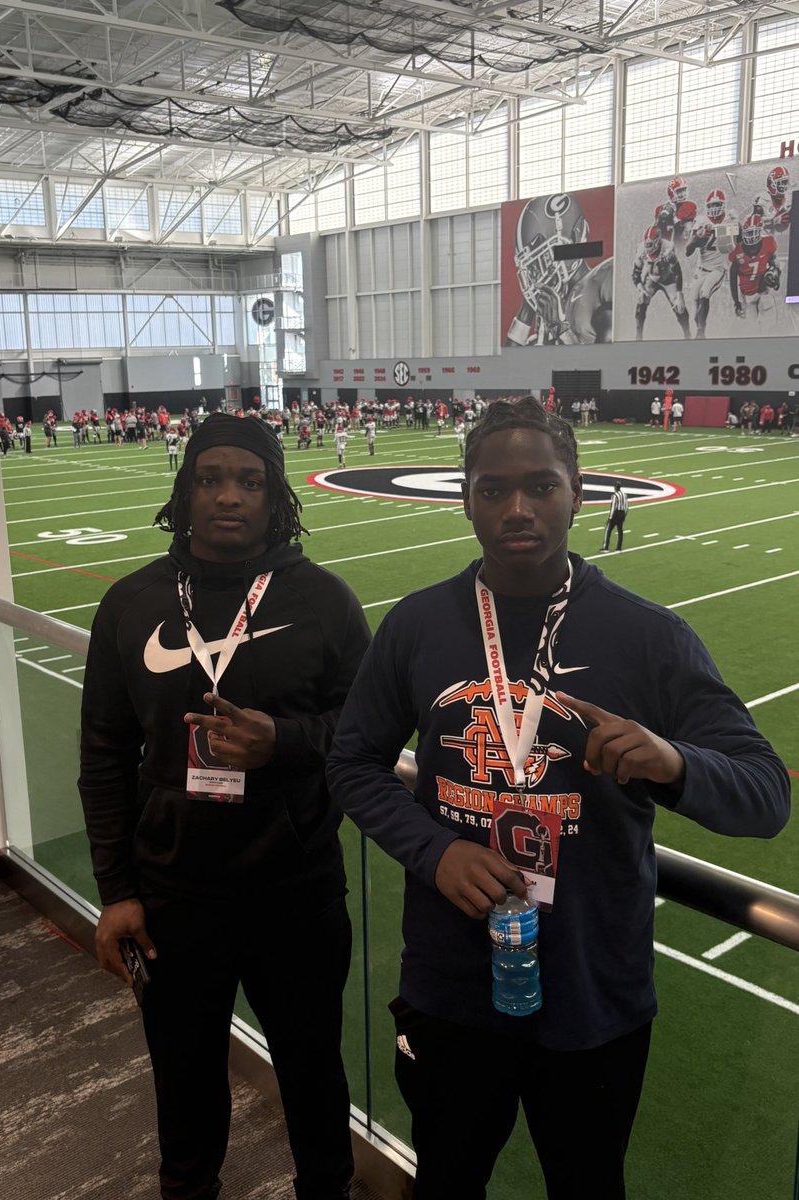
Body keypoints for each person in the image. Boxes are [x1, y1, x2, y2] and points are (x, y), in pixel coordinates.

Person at [326, 397, 789, 1200]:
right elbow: (354, 762)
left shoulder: (648, 636)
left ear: (579, 491)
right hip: (450, 985)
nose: (517, 509)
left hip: (592, 991)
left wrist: (674, 762)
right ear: (463, 495)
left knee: (586, 1184)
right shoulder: (416, 625)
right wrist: (435, 852)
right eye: (493, 488)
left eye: (541, 487)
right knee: (447, 1179)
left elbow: (765, 795)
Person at [78, 413, 370, 1200]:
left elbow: (366, 732)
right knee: (184, 1089)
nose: (228, 497)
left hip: (296, 892)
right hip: (174, 897)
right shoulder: (132, 602)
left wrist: (287, 740)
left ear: (277, 496)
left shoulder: (325, 601)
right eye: (210, 479)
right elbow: (103, 758)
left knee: (314, 1077)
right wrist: (117, 892)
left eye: (250, 480)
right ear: (184, 491)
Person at [602, 479, 629, 552]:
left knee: (608, 530)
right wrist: (624, 514)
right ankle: (619, 547)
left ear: (615, 487)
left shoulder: (615, 496)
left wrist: (610, 517)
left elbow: (613, 507)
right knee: (620, 531)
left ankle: (606, 547)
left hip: (616, 514)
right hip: (622, 513)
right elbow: (626, 505)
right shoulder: (624, 494)